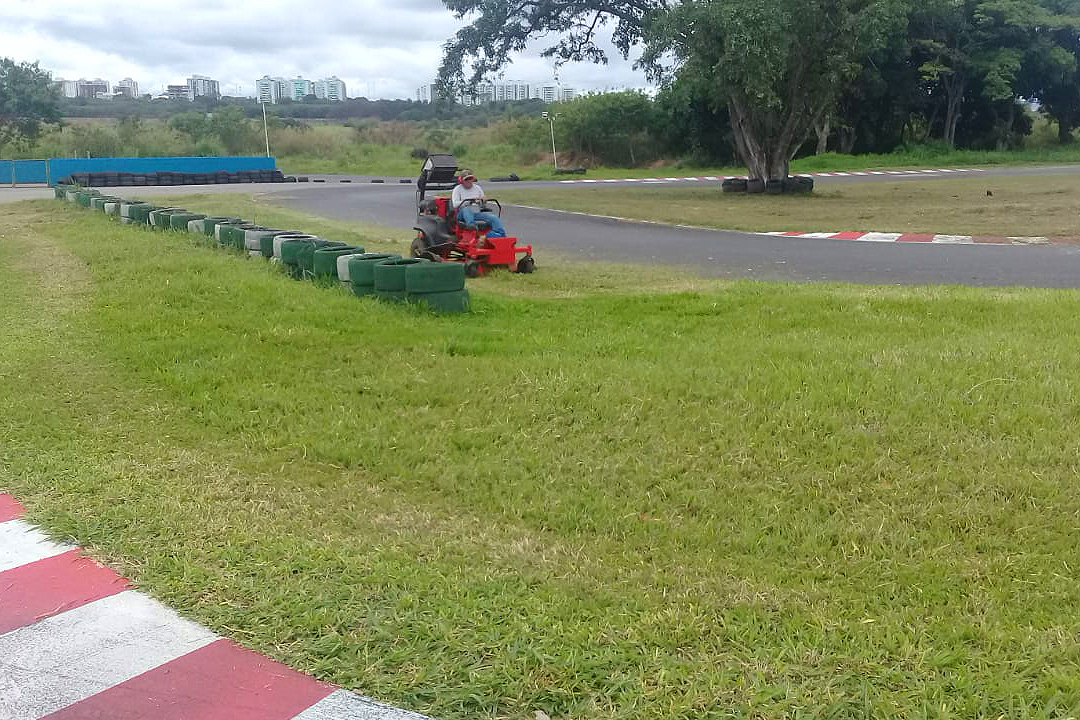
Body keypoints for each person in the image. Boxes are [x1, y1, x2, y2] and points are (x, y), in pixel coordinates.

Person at [450, 171, 507, 238]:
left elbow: (482, 206)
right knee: (467, 209)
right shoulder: (457, 189)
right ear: (461, 180)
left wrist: (483, 201)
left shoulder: (477, 188)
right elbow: (455, 204)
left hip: (476, 213)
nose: (469, 181)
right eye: (466, 179)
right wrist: (470, 201)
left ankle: (500, 235)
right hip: (461, 214)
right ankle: (473, 230)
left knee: (493, 217)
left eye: (470, 179)